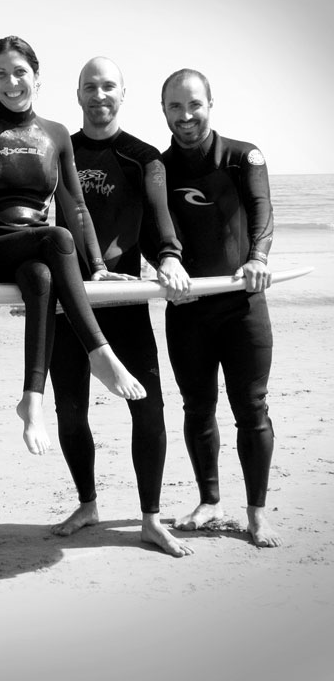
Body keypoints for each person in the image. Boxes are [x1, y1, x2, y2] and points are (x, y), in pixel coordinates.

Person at [0, 36, 145, 457]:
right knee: (56, 237)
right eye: (0, 74)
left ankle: (31, 399)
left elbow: (75, 205)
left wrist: (98, 266)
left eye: (20, 72)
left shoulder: (55, 135)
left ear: (37, 76)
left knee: (41, 276)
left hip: (36, 253)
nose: (11, 82)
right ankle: (100, 352)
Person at [47, 57, 193, 557]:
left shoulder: (142, 156)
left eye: (109, 85)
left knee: (147, 409)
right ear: (79, 93)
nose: (99, 94)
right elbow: (34, 215)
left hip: (124, 297)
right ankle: (87, 503)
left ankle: (150, 519)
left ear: (123, 93)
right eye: (90, 86)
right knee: (70, 411)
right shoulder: (58, 148)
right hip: (70, 302)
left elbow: (159, 221)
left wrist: (170, 259)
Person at [160, 68, 281, 548]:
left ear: (211, 103)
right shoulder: (159, 167)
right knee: (197, 407)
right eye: (175, 106)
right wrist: (165, 263)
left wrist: (258, 259)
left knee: (251, 408)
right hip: (188, 306)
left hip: (243, 305)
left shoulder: (241, 156)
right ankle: (210, 501)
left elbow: (263, 213)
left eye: (194, 105)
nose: (186, 116)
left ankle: (256, 514)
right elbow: (154, 229)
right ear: (163, 109)